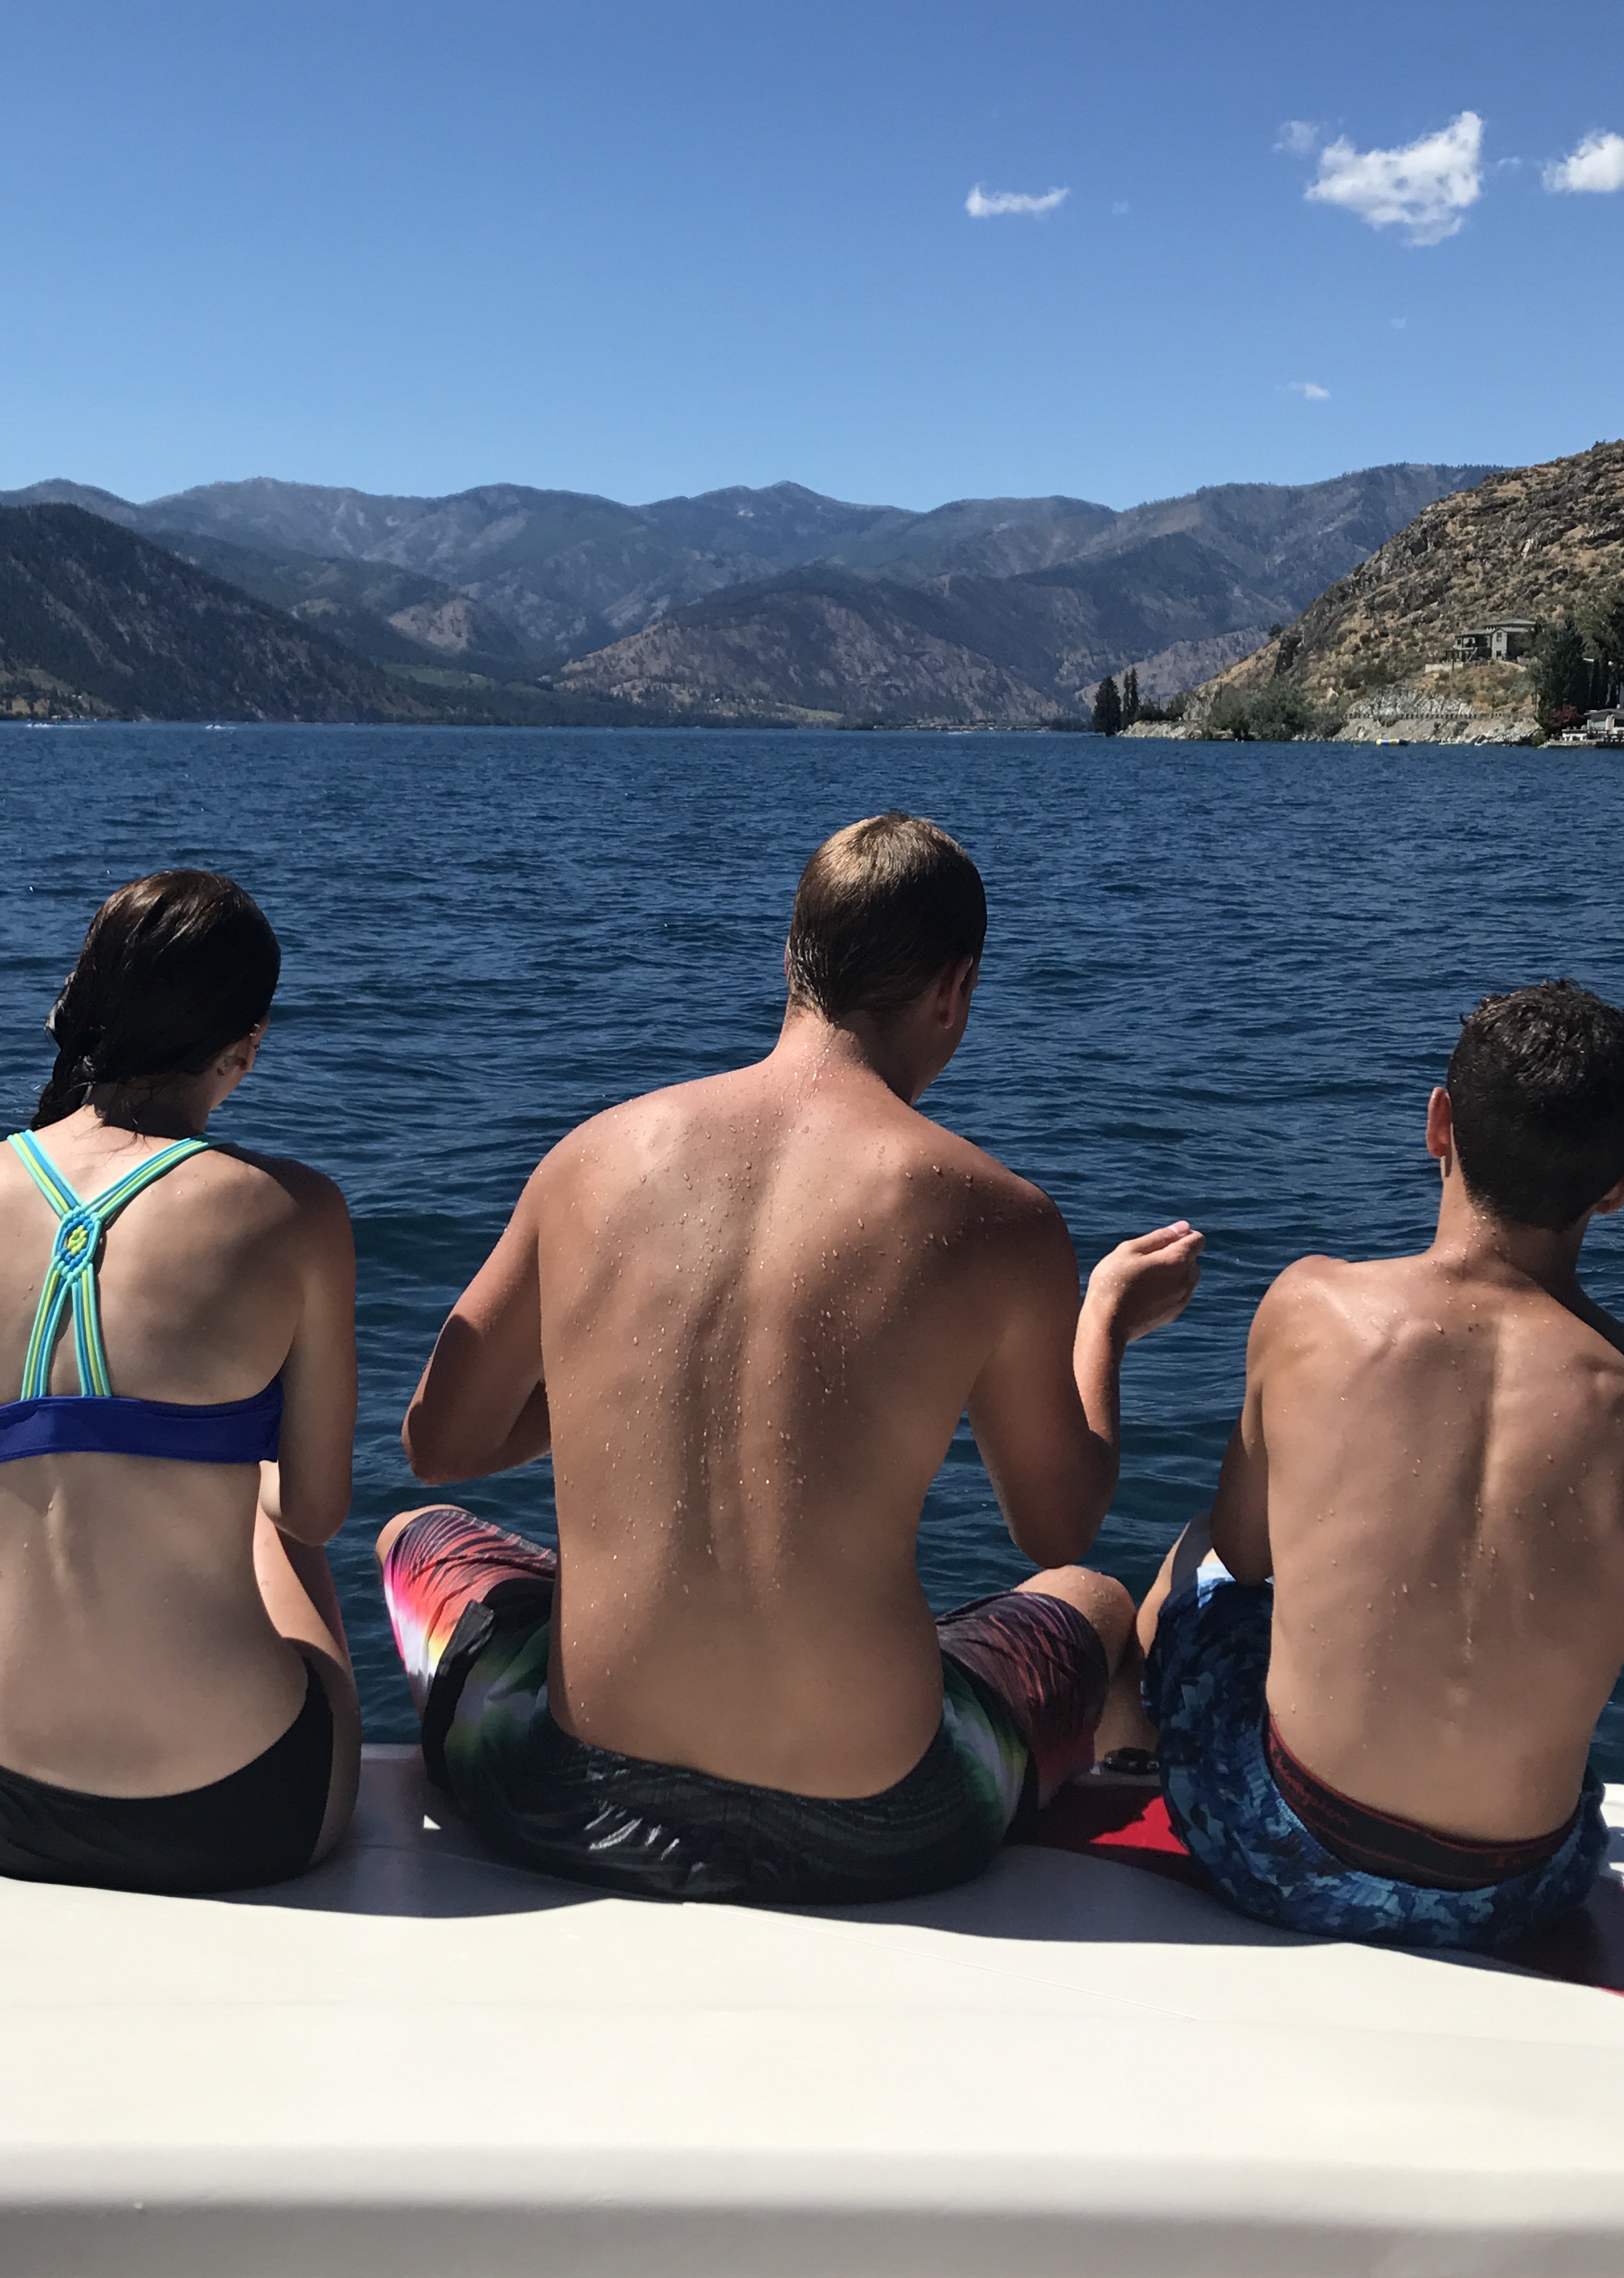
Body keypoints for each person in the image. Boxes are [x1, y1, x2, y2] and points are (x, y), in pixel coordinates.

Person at [378, 811, 1202, 1906]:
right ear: (954, 988)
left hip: (565, 1793)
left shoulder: (593, 1156)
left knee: (414, 1534)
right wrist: (1103, 1318)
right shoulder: (998, 1219)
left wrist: (602, 1376)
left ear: (791, 960)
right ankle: (1121, 1808)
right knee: (1088, 1597)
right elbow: (1056, 1526)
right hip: (886, 1828)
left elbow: (441, 1445)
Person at [1139, 979, 1624, 1951]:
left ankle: (1124, 1762)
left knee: (1194, 1561)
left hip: (1276, 1853)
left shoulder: (1310, 1307)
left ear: (1439, 1124)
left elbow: (1246, 1552)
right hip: (1513, 1896)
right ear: (1621, 1187)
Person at [0, 870, 360, 1896]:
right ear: (245, 1046)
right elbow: (317, 1512)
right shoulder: (295, 1211)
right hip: (241, 1810)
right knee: (272, 1523)